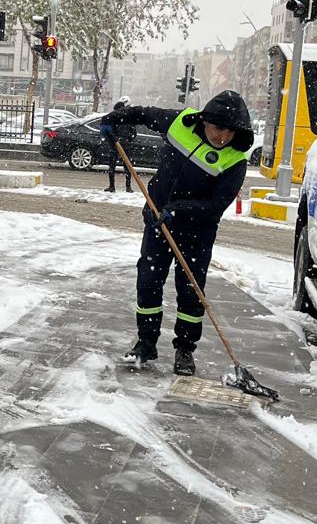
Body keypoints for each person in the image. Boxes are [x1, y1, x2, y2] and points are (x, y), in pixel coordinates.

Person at [99, 91, 253, 376]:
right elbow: (144, 113)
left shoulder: (234, 160)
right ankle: (146, 343)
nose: (223, 137)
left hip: (196, 232)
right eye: (219, 128)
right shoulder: (179, 123)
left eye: (230, 131)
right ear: (205, 120)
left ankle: (185, 349)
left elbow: (216, 205)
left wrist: (178, 210)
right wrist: (114, 118)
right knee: (148, 281)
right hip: (157, 221)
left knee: (191, 290)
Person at [105, 97, 135, 192]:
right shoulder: (128, 119)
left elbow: (108, 132)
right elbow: (134, 133)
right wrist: (128, 139)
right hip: (125, 144)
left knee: (112, 166)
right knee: (127, 166)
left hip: (115, 145)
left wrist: (113, 140)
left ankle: (112, 186)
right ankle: (128, 187)